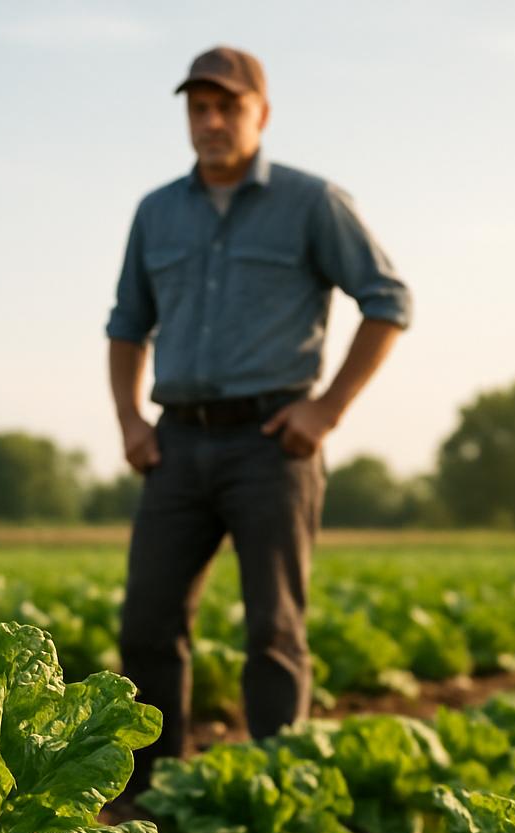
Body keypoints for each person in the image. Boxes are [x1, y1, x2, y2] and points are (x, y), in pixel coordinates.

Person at [106, 46, 412, 789]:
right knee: (148, 623)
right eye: (198, 108)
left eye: (227, 107)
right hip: (176, 443)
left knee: (274, 629)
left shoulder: (312, 203)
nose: (211, 121)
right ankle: (155, 797)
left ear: (261, 114)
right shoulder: (157, 211)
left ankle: (277, 790)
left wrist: (327, 409)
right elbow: (126, 326)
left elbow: (388, 301)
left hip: (274, 444)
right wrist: (131, 424)